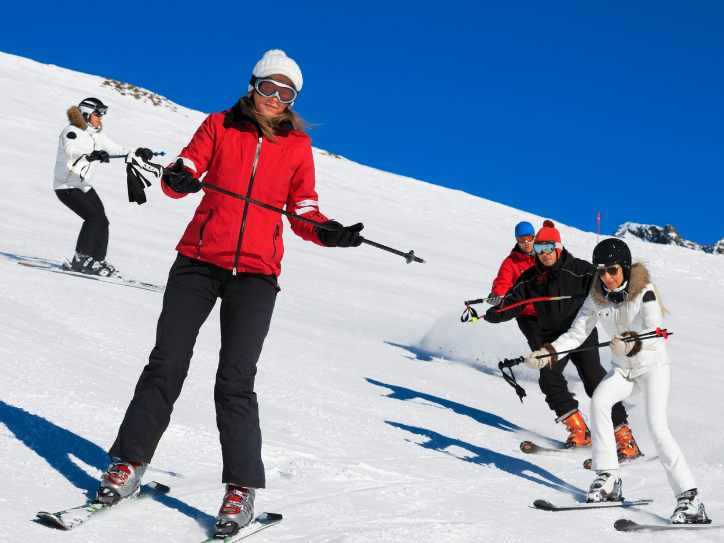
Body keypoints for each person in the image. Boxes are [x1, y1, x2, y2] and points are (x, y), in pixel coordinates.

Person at [94, 49, 364, 538]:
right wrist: (180, 177)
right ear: (252, 86)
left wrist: (328, 232)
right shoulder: (218, 125)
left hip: (257, 275)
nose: (276, 99)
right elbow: (186, 171)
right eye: (269, 89)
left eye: (287, 93)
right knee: (166, 363)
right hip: (198, 262)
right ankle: (129, 463)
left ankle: (241, 489)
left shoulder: (297, 146)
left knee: (235, 381)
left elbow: (303, 209)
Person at [535, 238, 709, 522]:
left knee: (658, 428)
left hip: (652, 367)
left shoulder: (645, 292)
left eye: (612, 270)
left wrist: (632, 343)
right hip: (623, 370)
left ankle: (690, 500)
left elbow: (654, 329)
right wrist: (549, 353)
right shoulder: (596, 297)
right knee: (600, 401)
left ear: (625, 269)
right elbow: (577, 333)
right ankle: (609, 479)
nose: (607, 277)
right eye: (601, 271)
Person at [484, 220, 641, 457]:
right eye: (539, 248)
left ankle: (625, 439)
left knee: (595, 383)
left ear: (558, 246)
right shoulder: (530, 277)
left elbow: (607, 284)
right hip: (552, 339)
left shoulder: (579, 269)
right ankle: (580, 431)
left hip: (581, 334)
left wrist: (618, 295)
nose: (544, 253)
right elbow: (514, 302)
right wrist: (493, 313)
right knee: (549, 381)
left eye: (548, 247)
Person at [53, 97, 154, 276]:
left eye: (102, 113)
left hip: (83, 185)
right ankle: (81, 258)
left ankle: (97, 261)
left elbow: (116, 148)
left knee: (102, 221)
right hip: (66, 185)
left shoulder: (97, 135)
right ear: (86, 113)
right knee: (93, 219)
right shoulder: (72, 131)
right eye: (98, 113)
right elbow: (71, 149)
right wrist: (91, 155)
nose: (101, 117)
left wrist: (137, 151)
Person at [487, 221, 539, 350]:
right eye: (522, 239)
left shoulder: (545, 255)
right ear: (517, 240)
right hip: (527, 314)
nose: (526, 242)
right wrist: (497, 295)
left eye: (529, 238)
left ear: (535, 237)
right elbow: (503, 282)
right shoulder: (510, 263)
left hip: (550, 309)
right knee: (539, 345)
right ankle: (547, 368)